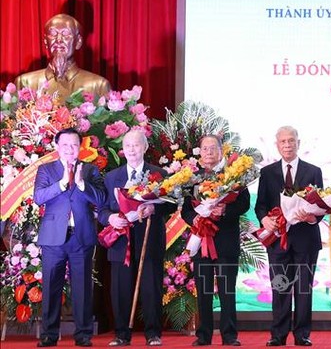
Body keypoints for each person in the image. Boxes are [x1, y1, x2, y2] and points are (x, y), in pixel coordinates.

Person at [98, 129, 173, 347]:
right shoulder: (112, 177)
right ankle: (121, 334)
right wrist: (111, 218)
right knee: (120, 289)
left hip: (149, 239)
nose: (132, 149)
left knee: (151, 287)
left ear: (145, 147)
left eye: (136, 145)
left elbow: (171, 203)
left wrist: (153, 209)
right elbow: (101, 209)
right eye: (128, 145)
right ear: (123, 149)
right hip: (121, 241)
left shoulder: (158, 175)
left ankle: (153, 333)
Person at [33, 127, 107, 347]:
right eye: (65, 145)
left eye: (74, 145)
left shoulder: (91, 170)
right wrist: (62, 183)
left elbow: (102, 199)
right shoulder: (46, 170)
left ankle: (83, 334)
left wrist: (82, 184)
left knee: (83, 288)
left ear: (80, 147)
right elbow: (38, 197)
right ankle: (49, 334)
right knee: (51, 287)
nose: (69, 149)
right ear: (57, 147)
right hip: (53, 238)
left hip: (81, 237)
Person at [255, 126, 324, 347]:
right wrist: (265, 219)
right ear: (277, 145)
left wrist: (312, 218)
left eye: (291, 140)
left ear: (298, 143)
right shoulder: (267, 173)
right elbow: (261, 206)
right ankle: (278, 334)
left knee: (304, 288)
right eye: (283, 141)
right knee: (280, 287)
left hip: (306, 238)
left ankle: (302, 334)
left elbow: (321, 206)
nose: (287, 145)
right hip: (278, 239)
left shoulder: (314, 171)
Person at [181, 135, 250, 346]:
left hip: (226, 242)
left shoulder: (233, 176)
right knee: (203, 291)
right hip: (202, 241)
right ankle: (204, 336)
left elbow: (244, 204)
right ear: (200, 152)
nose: (209, 152)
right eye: (205, 148)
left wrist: (225, 209)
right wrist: (197, 218)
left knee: (227, 291)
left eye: (213, 148)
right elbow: (185, 210)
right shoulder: (192, 178)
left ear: (221, 151)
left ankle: (230, 335)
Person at [14, 13, 111, 100]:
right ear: (45, 42)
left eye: (66, 34)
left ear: (78, 42)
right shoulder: (25, 83)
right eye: (53, 34)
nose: (58, 40)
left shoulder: (98, 85)